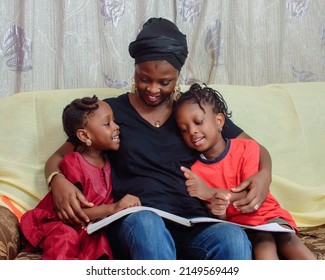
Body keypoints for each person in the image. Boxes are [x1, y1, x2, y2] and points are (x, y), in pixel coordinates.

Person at [45, 17, 272, 260]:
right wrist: (57, 179)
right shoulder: (110, 113)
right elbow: (59, 156)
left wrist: (264, 176)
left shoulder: (191, 112)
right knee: (147, 222)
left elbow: (256, 149)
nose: (153, 89)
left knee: (232, 237)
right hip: (137, 222)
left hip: (192, 222)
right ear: (135, 70)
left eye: (164, 82)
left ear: (178, 76)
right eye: (144, 79)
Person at [174, 83, 316, 260]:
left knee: (289, 241)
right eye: (184, 129)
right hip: (243, 226)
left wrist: (209, 192)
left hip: (266, 215)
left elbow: (248, 193)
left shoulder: (246, 148)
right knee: (264, 246)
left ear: (219, 121)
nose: (192, 131)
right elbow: (218, 214)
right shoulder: (196, 171)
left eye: (198, 122)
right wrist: (218, 209)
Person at [20, 96, 141, 259]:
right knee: (65, 238)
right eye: (107, 124)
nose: (116, 127)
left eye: (114, 121)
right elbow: (73, 214)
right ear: (84, 136)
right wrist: (113, 208)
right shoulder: (74, 163)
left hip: (87, 225)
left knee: (100, 244)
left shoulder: (110, 162)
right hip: (58, 222)